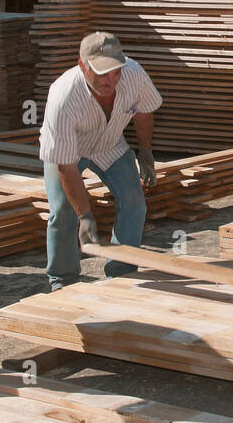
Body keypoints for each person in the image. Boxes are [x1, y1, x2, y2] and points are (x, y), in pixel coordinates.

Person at [39, 32, 161, 292]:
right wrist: (84, 215)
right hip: (68, 152)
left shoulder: (134, 74)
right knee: (63, 212)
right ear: (83, 66)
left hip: (110, 145)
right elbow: (66, 167)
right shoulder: (63, 98)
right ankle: (63, 280)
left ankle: (121, 271)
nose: (111, 80)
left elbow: (144, 111)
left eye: (116, 72)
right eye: (103, 73)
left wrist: (146, 151)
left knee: (134, 203)